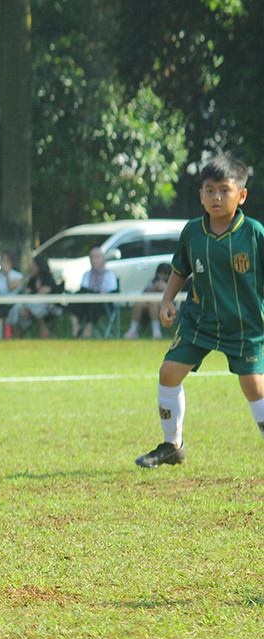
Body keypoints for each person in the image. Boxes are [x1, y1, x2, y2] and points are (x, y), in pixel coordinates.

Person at [135, 153, 264, 468]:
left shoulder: (254, 233)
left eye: (224, 190)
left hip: (245, 325)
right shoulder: (193, 232)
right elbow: (181, 269)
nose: (216, 197)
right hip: (200, 321)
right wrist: (167, 301)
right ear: (201, 195)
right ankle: (172, 445)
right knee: (168, 373)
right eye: (209, 190)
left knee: (254, 387)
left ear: (241, 195)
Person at [69, 247, 119, 338]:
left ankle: (88, 328)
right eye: (92, 257)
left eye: (97, 257)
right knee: (75, 300)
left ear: (102, 258)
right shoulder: (87, 274)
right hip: (86, 302)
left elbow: (112, 292)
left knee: (93, 302)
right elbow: (84, 290)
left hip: (103, 304)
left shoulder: (109, 275)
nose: (94, 260)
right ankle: (76, 326)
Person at [123, 263, 172, 340]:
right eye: (160, 273)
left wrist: (164, 288)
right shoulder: (152, 282)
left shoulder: (171, 284)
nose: (162, 276)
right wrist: (153, 288)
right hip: (147, 306)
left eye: (165, 274)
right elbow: (144, 294)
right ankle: (133, 330)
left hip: (164, 306)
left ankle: (156, 330)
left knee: (153, 303)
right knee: (139, 303)